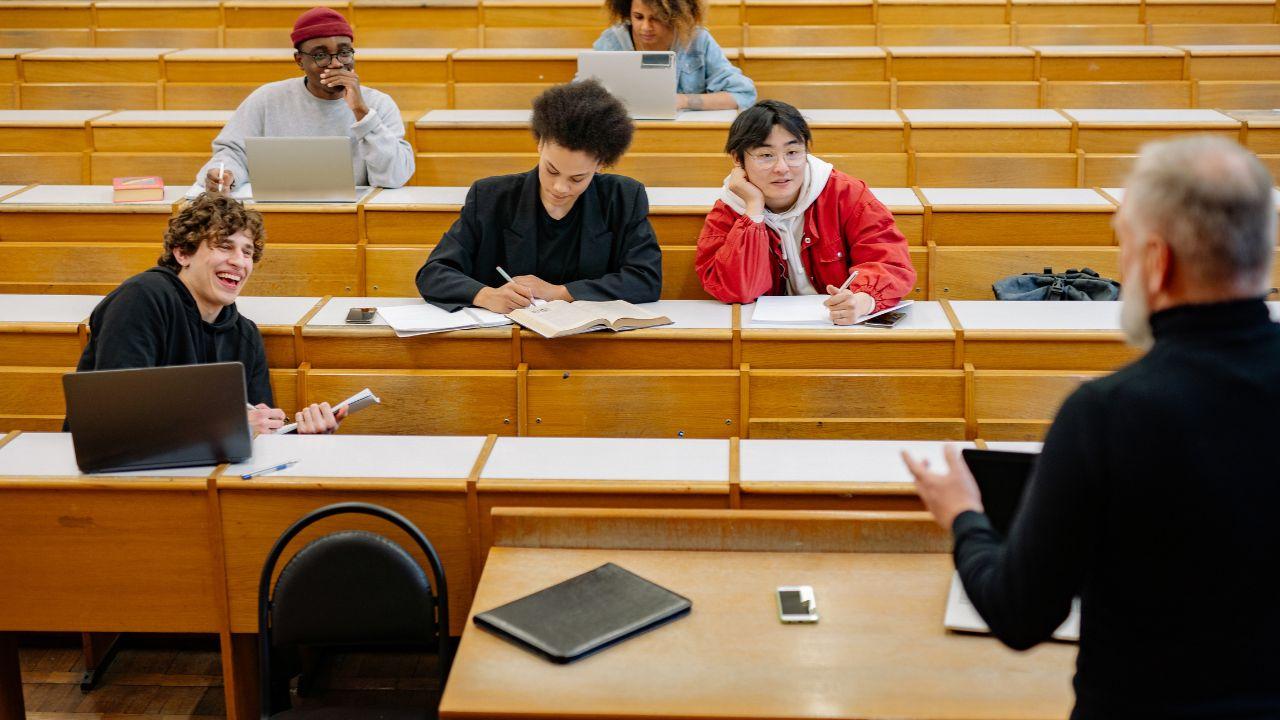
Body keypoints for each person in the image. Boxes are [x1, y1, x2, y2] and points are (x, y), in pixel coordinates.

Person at [904, 136, 1280, 718]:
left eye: (1122, 246)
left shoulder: (1109, 414)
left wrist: (963, 515)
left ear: (1157, 262)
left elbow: (1021, 613)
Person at [74, 194, 341, 435]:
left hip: (205, 473)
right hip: (121, 476)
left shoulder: (245, 335)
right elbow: (116, 417)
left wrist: (302, 438)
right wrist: (229, 427)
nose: (239, 261)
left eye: (247, 252)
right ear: (182, 253)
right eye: (224, 246)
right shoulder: (141, 299)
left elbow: (258, 429)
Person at [417, 79, 662, 313]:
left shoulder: (622, 197)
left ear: (601, 164)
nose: (559, 188)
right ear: (540, 144)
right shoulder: (490, 197)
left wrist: (560, 292)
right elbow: (433, 273)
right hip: (505, 336)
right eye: (552, 170)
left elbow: (646, 279)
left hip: (591, 342)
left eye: (577, 178)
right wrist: (485, 295)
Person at [695, 100, 915, 324]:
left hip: (839, 330)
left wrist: (862, 300)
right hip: (766, 338)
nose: (782, 167)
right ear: (737, 159)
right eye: (765, 155)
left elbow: (889, 261)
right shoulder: (729, 210)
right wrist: (753, 210)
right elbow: (738, 290)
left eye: (793, 152)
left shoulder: (845, 194)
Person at [195, 6, 414, 193]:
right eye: (321, 55)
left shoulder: (378, 105)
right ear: (299, 61)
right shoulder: (267, 99)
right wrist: (225, 174)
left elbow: (394, 178)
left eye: (344, 52)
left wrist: (362, 113)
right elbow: (233, 153)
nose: (336, 63)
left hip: (353, 216)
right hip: (277, 213)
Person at [592, 0, 756, 111]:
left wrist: (685, 101)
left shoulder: (697, 40)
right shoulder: (612, 40)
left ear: (674, 16)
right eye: (638, 17)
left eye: (656, 19)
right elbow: (581, 96)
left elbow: (743, 94)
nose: (645, 27)